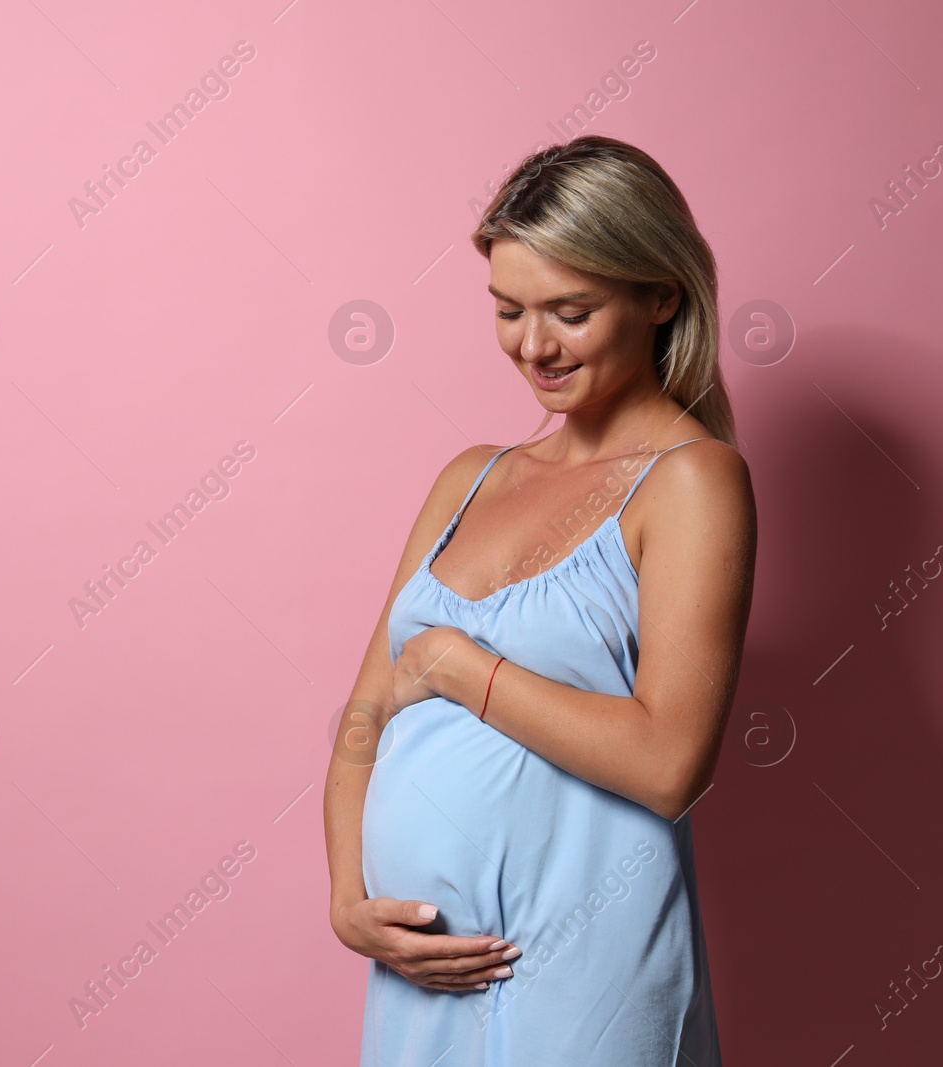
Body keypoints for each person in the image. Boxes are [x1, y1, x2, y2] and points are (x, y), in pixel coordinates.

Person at [323, 135, 756, 1065]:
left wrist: (460, 667)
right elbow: (364, 714)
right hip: (423, 977)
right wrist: (350, 903)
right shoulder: (470, 478)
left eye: (571, 310)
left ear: (661, 295)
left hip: (584, 971)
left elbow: (670, 761)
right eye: (509, 309)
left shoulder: (692, 482)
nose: (534, 345)